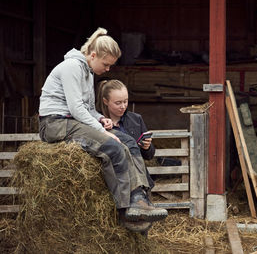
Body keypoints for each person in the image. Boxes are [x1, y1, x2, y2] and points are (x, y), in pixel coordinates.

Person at [38, 27, 167, 233]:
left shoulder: (88, 72)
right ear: (93, 55)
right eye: (106, 64)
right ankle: (125, 209)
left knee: (128, 142)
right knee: (112, 147)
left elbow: (88, 108)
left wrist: (101, 118)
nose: (108, 69)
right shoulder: (72, 67)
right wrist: (102, 130)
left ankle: (139, 197)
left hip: (75, 121)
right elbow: (75, 108)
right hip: (56, 123)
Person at [96, 79, 156, 190]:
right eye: (118, 103)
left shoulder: (136, 119)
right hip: (112, 183)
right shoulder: (97, 123)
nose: (123, 106)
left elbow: (150, 156)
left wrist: (146, 148)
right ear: (105, 101)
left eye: (125, 101)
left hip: (139, 181)